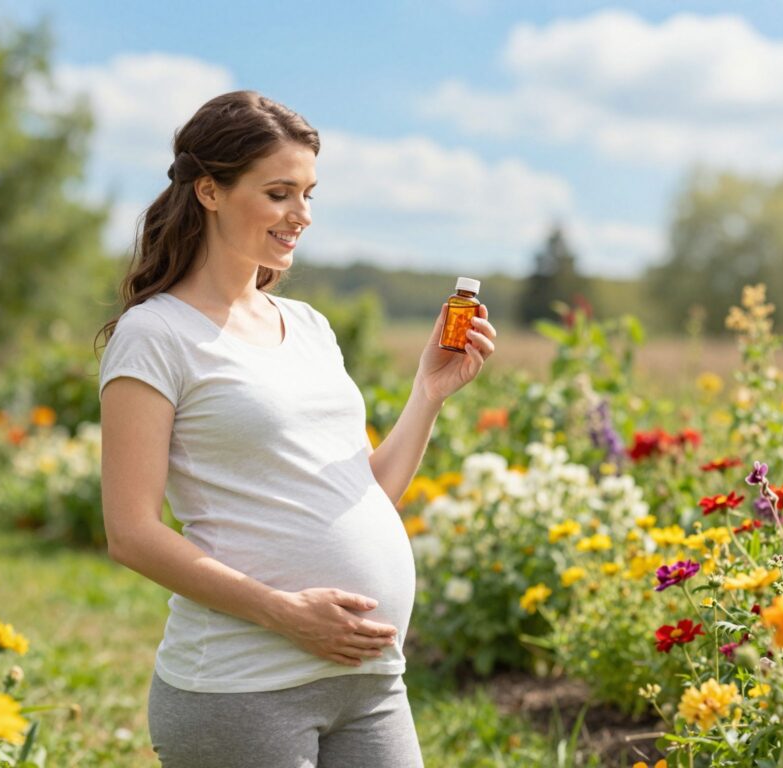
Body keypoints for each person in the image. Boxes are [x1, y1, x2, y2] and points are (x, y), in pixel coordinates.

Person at [96, 91, 496, 768]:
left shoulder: (308, 326)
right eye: (280, 193)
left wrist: (428, 392)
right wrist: (283, 612)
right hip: (241, 687)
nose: (301, 216)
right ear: (209, 191)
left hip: (368, 683)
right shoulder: (155, 334)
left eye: (309, 194)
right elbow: (131, 533)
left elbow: (362, 493)